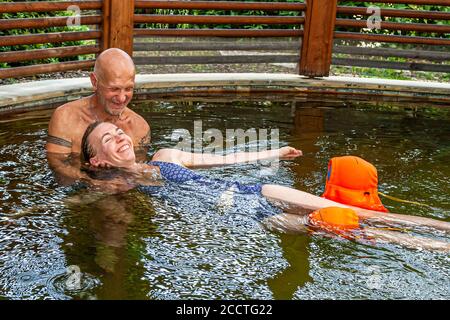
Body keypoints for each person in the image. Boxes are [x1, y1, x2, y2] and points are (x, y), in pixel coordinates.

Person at [80, 121, 450, 252]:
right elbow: (75, 208)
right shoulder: (115, 188)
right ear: (97, 160)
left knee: (360, 214)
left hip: (252, 194)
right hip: (244, 221)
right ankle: (432, 247)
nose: (119, 137)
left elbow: (226, 160)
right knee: (339, 227)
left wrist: (276, 151)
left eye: (118, 131)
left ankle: (443, 229)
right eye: (108, 140)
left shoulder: (166, 155)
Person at [46, 48, 150, 184]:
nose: (122, 98)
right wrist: (90, 180)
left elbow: (136, 172)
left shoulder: (139, 127)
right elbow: (56, 164)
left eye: (129, 89)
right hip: (80, 190)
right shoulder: (66, 117)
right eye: (114, 89)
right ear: (94, 82)